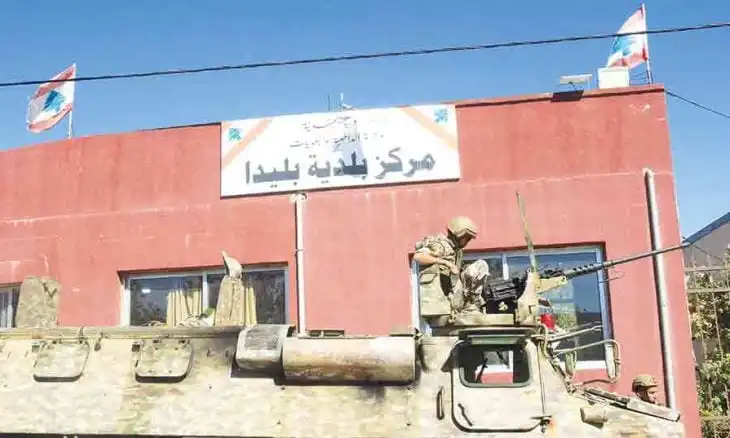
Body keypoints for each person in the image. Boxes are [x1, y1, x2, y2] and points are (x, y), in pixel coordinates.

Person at [413, 216, 479, 326]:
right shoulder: (441, 246)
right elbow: (418, 257)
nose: (467, 241)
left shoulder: (457, 251)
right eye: (466, 238)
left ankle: (471, 304)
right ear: (458, 235)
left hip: (451, 293)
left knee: (479, 267)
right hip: (439, 298)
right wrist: (446, 263)